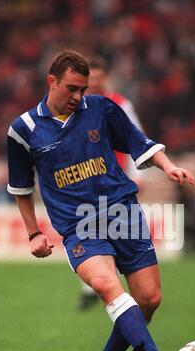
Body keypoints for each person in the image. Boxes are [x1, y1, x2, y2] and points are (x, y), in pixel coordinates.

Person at [7, 50, 195, 351]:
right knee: (108, 285)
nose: (78, 97)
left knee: (149, 299)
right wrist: (34, 233)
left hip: (123, 212)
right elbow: (21, 187)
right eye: (71, 88)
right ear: (52, 81)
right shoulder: (23, 130)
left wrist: (169, 167)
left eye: (83, 89)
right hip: (78, 225)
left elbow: (141, 143)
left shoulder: (102, 109)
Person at [77, 56, 145, 309]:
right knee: (87, 231)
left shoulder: (119, 104)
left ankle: (123, 284)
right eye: (89, 80)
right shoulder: (76, 105)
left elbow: (136, 137)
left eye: (96, 79)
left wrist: (139, 175)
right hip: (84, 180)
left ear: (105, 79)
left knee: (116, 231)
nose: (92, 84)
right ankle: (92, 287)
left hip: (115, 180)